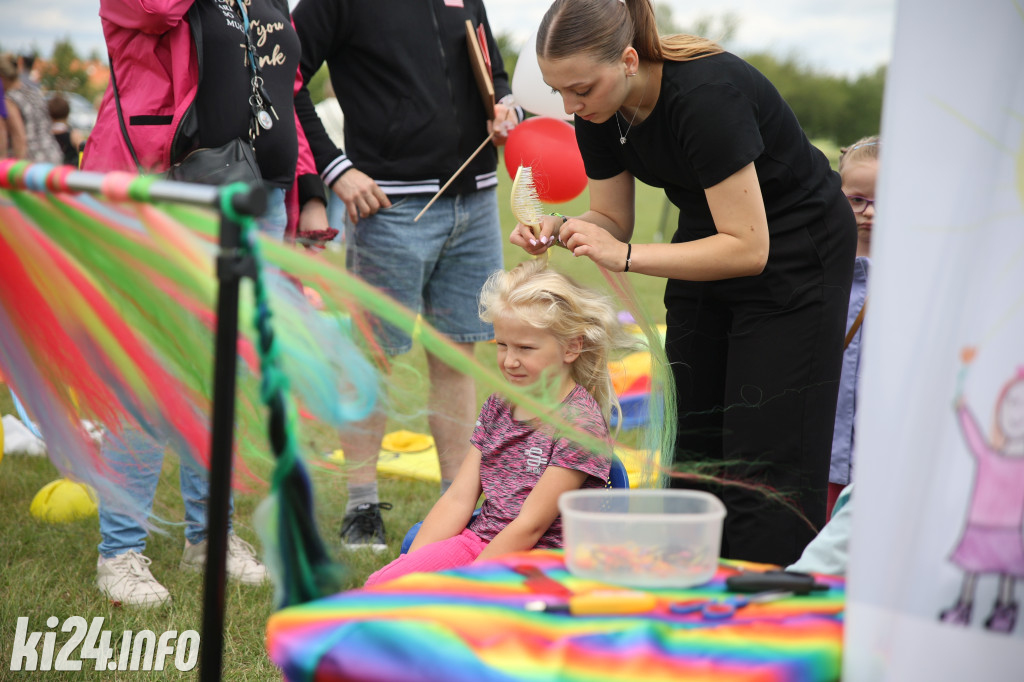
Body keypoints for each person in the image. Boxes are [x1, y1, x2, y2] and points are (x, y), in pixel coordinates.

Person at [514, 0, 856, 566]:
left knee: (764, 452)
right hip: (705, 237)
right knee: (691, 437)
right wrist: (561, 227)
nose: (571, 107)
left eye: (580, 89)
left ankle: (760, 611)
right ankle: (693, 586)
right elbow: (611, 219)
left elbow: (749, 247)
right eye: (560, 93)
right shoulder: (600, 111)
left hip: (797, 251)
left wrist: (623, 256)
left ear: (627, 60)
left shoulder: (704, 96)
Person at [81, 0, 332, 607]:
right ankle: (119, 551)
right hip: (177, 190)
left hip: (261, 199)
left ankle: (209, 536)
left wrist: (309, 187)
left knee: (227, 376)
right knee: (155, 370)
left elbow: (282, 90)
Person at [291, 0, 522, 550]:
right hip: (388, 207)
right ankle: (361, 505)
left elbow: (493, 67)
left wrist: (506, 105)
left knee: (458, 352)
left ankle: (456, 504)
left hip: (477, 200)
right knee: (372, 357)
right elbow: (284, 75)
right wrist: (333, 169)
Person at [365, 260, 628, 586]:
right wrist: (413, 564)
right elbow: (459, 498)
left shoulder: (579, 424)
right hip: (481, 543)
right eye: (502, 345)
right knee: (381, 588)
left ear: (572, 347)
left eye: (525, 348)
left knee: (458, 620)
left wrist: (469, 586)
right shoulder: (500, 404)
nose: (509, 360)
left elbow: (530, 527)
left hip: (544, 564)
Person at [827, 136, 878, 518]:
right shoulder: (820, 266)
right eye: (857, 199)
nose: (869, 212)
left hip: (877, 457)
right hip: (824, 449)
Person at [0, 53, 62, 164]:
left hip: (32, 163)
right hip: (52, 154)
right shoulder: (34, 93)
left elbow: (18, 137)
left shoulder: (9, 100)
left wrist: (16, 170)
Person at [47, 94, 84, 167]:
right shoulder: (74, 135)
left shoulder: (46, 134)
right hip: (69, 174)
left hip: (51, 172)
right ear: (67, 113)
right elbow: (83, 153)